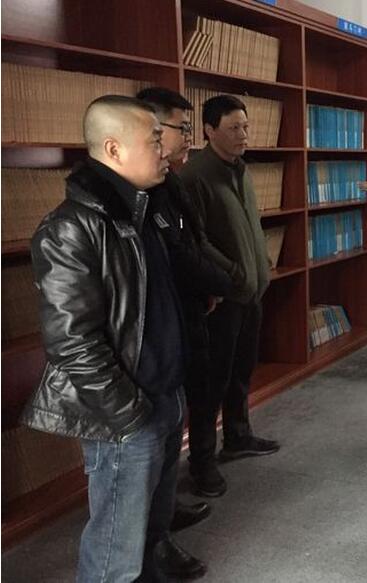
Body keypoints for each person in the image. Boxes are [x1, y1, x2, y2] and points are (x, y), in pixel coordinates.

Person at [20, 95, 205, 581]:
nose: (165, 151)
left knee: (152, 531)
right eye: (154, 141)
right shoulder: (70, 228)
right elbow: (72, 342)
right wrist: (128, 415)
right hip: (126, 413)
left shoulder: (142, 210)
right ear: (113, 149)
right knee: (114, 555)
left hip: (165, 394)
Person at [137, 87, 235, 531]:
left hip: (190, 308)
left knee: (194, 398)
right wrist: (225, 280)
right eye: (182, 128)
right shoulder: (144, 193)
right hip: (167, 320)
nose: (187, 137)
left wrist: (217, 281)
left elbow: (194, 241)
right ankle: (162, 518)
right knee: (169, 416)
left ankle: (171, 501)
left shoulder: (170, 180)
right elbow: (179, 255)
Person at [179, 95, 280, 498]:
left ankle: (238, 436)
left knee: (241, 371)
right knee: (211, 382)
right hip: (222, 297)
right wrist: (234, 273)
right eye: (234, 128)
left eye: (245, 126)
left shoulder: (240, 169)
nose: (243, 135)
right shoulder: (195, 176)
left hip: (251, 292)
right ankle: (202, 462)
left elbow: (248, 225)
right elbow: (196, 241)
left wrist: (260, 262)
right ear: (209, 130)